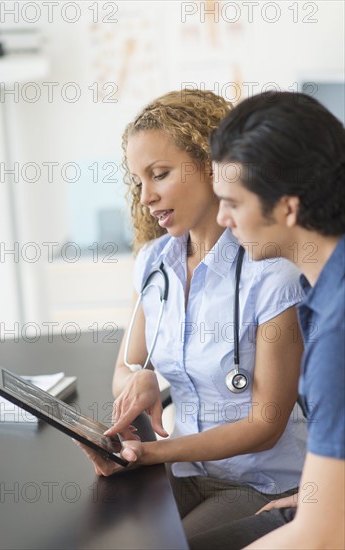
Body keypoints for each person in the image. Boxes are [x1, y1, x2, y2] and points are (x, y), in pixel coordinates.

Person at [75, 89, 307, 543]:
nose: (146, 196)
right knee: (106, 536)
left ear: (211, 162)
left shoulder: (272, 271)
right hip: (184, 471)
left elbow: (265, 426)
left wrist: (153, 452)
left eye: (159, 174)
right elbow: (127, 367)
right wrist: (138, 382)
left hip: (260, 482)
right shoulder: (155, 262)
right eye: (138, 180)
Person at [188, 90, 344, 549]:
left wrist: (317, 514)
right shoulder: (322, 291)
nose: (222, 217)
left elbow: (322, 538)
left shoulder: (335, 329)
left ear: (288, 207)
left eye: (233, 202)